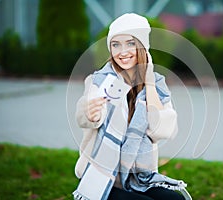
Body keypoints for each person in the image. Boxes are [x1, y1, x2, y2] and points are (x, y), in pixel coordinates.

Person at [73, 13, 191, 200]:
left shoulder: (157, 84)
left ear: (142, 46)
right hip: (101, 176)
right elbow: (86, 113)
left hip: (138, 177)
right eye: (116, 45)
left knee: (175, 199)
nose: (122, 51)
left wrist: (149, 83)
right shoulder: (100, 80)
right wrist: (91, 114)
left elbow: (161, 131)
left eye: (130, 43)